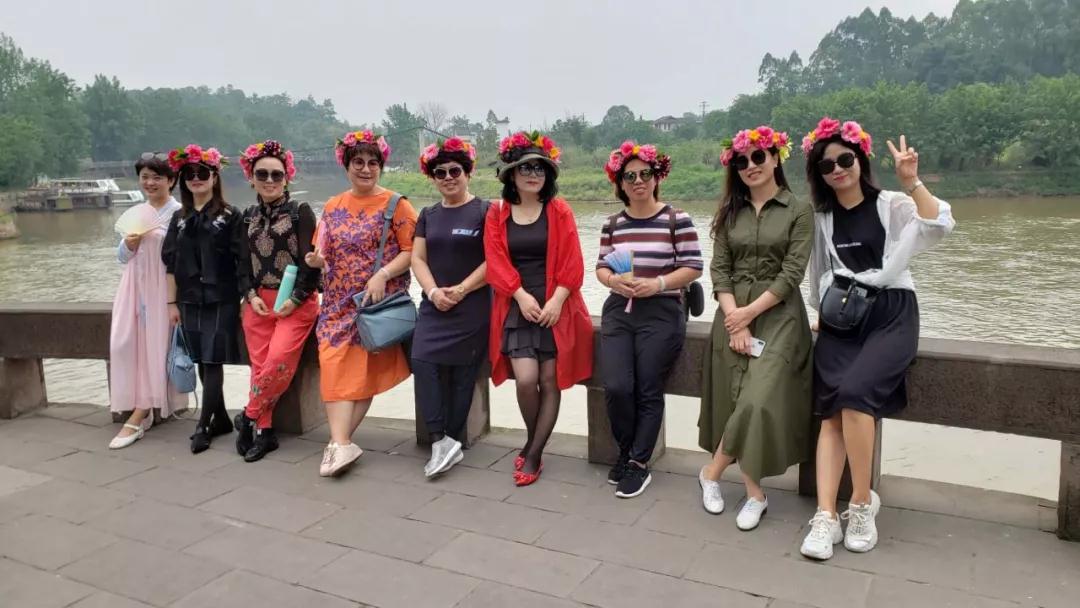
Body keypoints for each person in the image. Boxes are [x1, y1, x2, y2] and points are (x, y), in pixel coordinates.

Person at [798, 118, 955, 559]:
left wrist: (912, 181)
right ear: (818, 174)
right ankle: (826, 516)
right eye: (826, 165)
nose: (837, 170)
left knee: (854, 395)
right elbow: (819, 273)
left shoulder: (891, 204)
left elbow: (939, 225)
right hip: (842, 318)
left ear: (860, 160)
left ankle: (862, 503)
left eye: (844, 159)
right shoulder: (822, 218)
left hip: (891, 314)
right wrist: (821, 315)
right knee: (831, 412)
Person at [697, 126, 814, 530]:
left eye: (759, 156)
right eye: (741, 160)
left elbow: (792, 272)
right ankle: (754, 494)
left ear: (776, 157)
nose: (750, 165)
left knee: (756, 400)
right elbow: (720, 269)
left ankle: (711, 473)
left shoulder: (799, 210)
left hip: (780, 317)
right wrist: (735, 318)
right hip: (732, 314)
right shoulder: (730, 212)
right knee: (736, 399)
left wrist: (748, 314)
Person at [305, 130, 417, 477]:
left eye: (372, 163)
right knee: (333, 367)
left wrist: (383, 273)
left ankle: (338, 445)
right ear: (347, 165)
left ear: (380, 166)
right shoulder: (332, 206)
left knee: (361, 374)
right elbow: (322, 251)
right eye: (358, 162)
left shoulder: (397, 205)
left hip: (372, 304)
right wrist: (316, 261)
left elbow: (413, 251)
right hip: (335, 304)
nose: (366, 169)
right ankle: (340, 444)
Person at [485, 131, 593, 486]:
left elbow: (573, 261)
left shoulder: (559, 211)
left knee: (549, 381)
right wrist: (519, 295)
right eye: (525, 168)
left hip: (554, 305)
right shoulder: (498, 213)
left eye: (540, 168)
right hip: (519, 305)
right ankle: (536, 442)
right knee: (526, 380)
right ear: (511, 173)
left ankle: (533, 454)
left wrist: (557, 300)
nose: (533, 174)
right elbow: (495, 260)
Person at [595, 141, 702, 498]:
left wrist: (658, 284)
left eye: (645, 174)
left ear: (657, 178)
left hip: (661, 310)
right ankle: (626, 450)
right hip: (619, 309)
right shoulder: (612, 224)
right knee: (617, 386)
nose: (638, 181)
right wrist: (613, 281)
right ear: (620, 183)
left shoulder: (676, 219)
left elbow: (693, 266)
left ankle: (639, 463)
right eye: (630, 176)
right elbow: (601, 267)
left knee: (648, 387)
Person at [235, 140, 319, 462]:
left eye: (276, 175)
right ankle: (265, 432)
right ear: (251, 178)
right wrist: (251, 295)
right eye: (262, 174)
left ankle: (249, 416)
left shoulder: (300, 212)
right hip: (258, 302)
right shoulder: (247, 217)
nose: (269, 180)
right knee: (259, 367)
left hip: (296, 303)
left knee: (277, 361)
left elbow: (311, 264)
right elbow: (242, 265)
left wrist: (296, 299)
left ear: (287, 178)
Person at [411, 138, 490, 478]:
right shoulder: (428, 215)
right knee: (421, 360)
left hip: (472, 305)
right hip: (433, 305)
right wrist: (432, 292)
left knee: (462, 374)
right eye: (440, 172)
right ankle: (439, 439)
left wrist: (460, 290)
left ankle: (453, 440)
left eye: (455, 170)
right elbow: (417, 258)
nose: (448, 177)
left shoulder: (486, 211)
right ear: (432, 178)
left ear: (468, 173)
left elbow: (495, 260)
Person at [161, 144, 246, 453]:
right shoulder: (179, 218)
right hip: (189, 299)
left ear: (214, 176)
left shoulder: (230, 215)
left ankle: (202, 426)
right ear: (183, 180)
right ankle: (220, 418)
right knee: (200, 357)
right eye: (189, 174)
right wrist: (171, 304)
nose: (196, 178)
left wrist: (246, 297)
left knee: (213, 359)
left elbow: (242, 260)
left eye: (202, 173)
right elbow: (170, 264)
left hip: (222, 298)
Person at [108, 153, 188, 449]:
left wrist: (175, 299)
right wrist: (128, 244)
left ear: (171, 180)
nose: (150, 183)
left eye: (157, 177)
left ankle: (141, 413)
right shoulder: (139, 210)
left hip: (162, 289)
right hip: (133, 286)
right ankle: (140, 406)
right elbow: (122, 257)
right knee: (124, 344)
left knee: (155, 348)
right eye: (145, 177)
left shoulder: (179, 213)